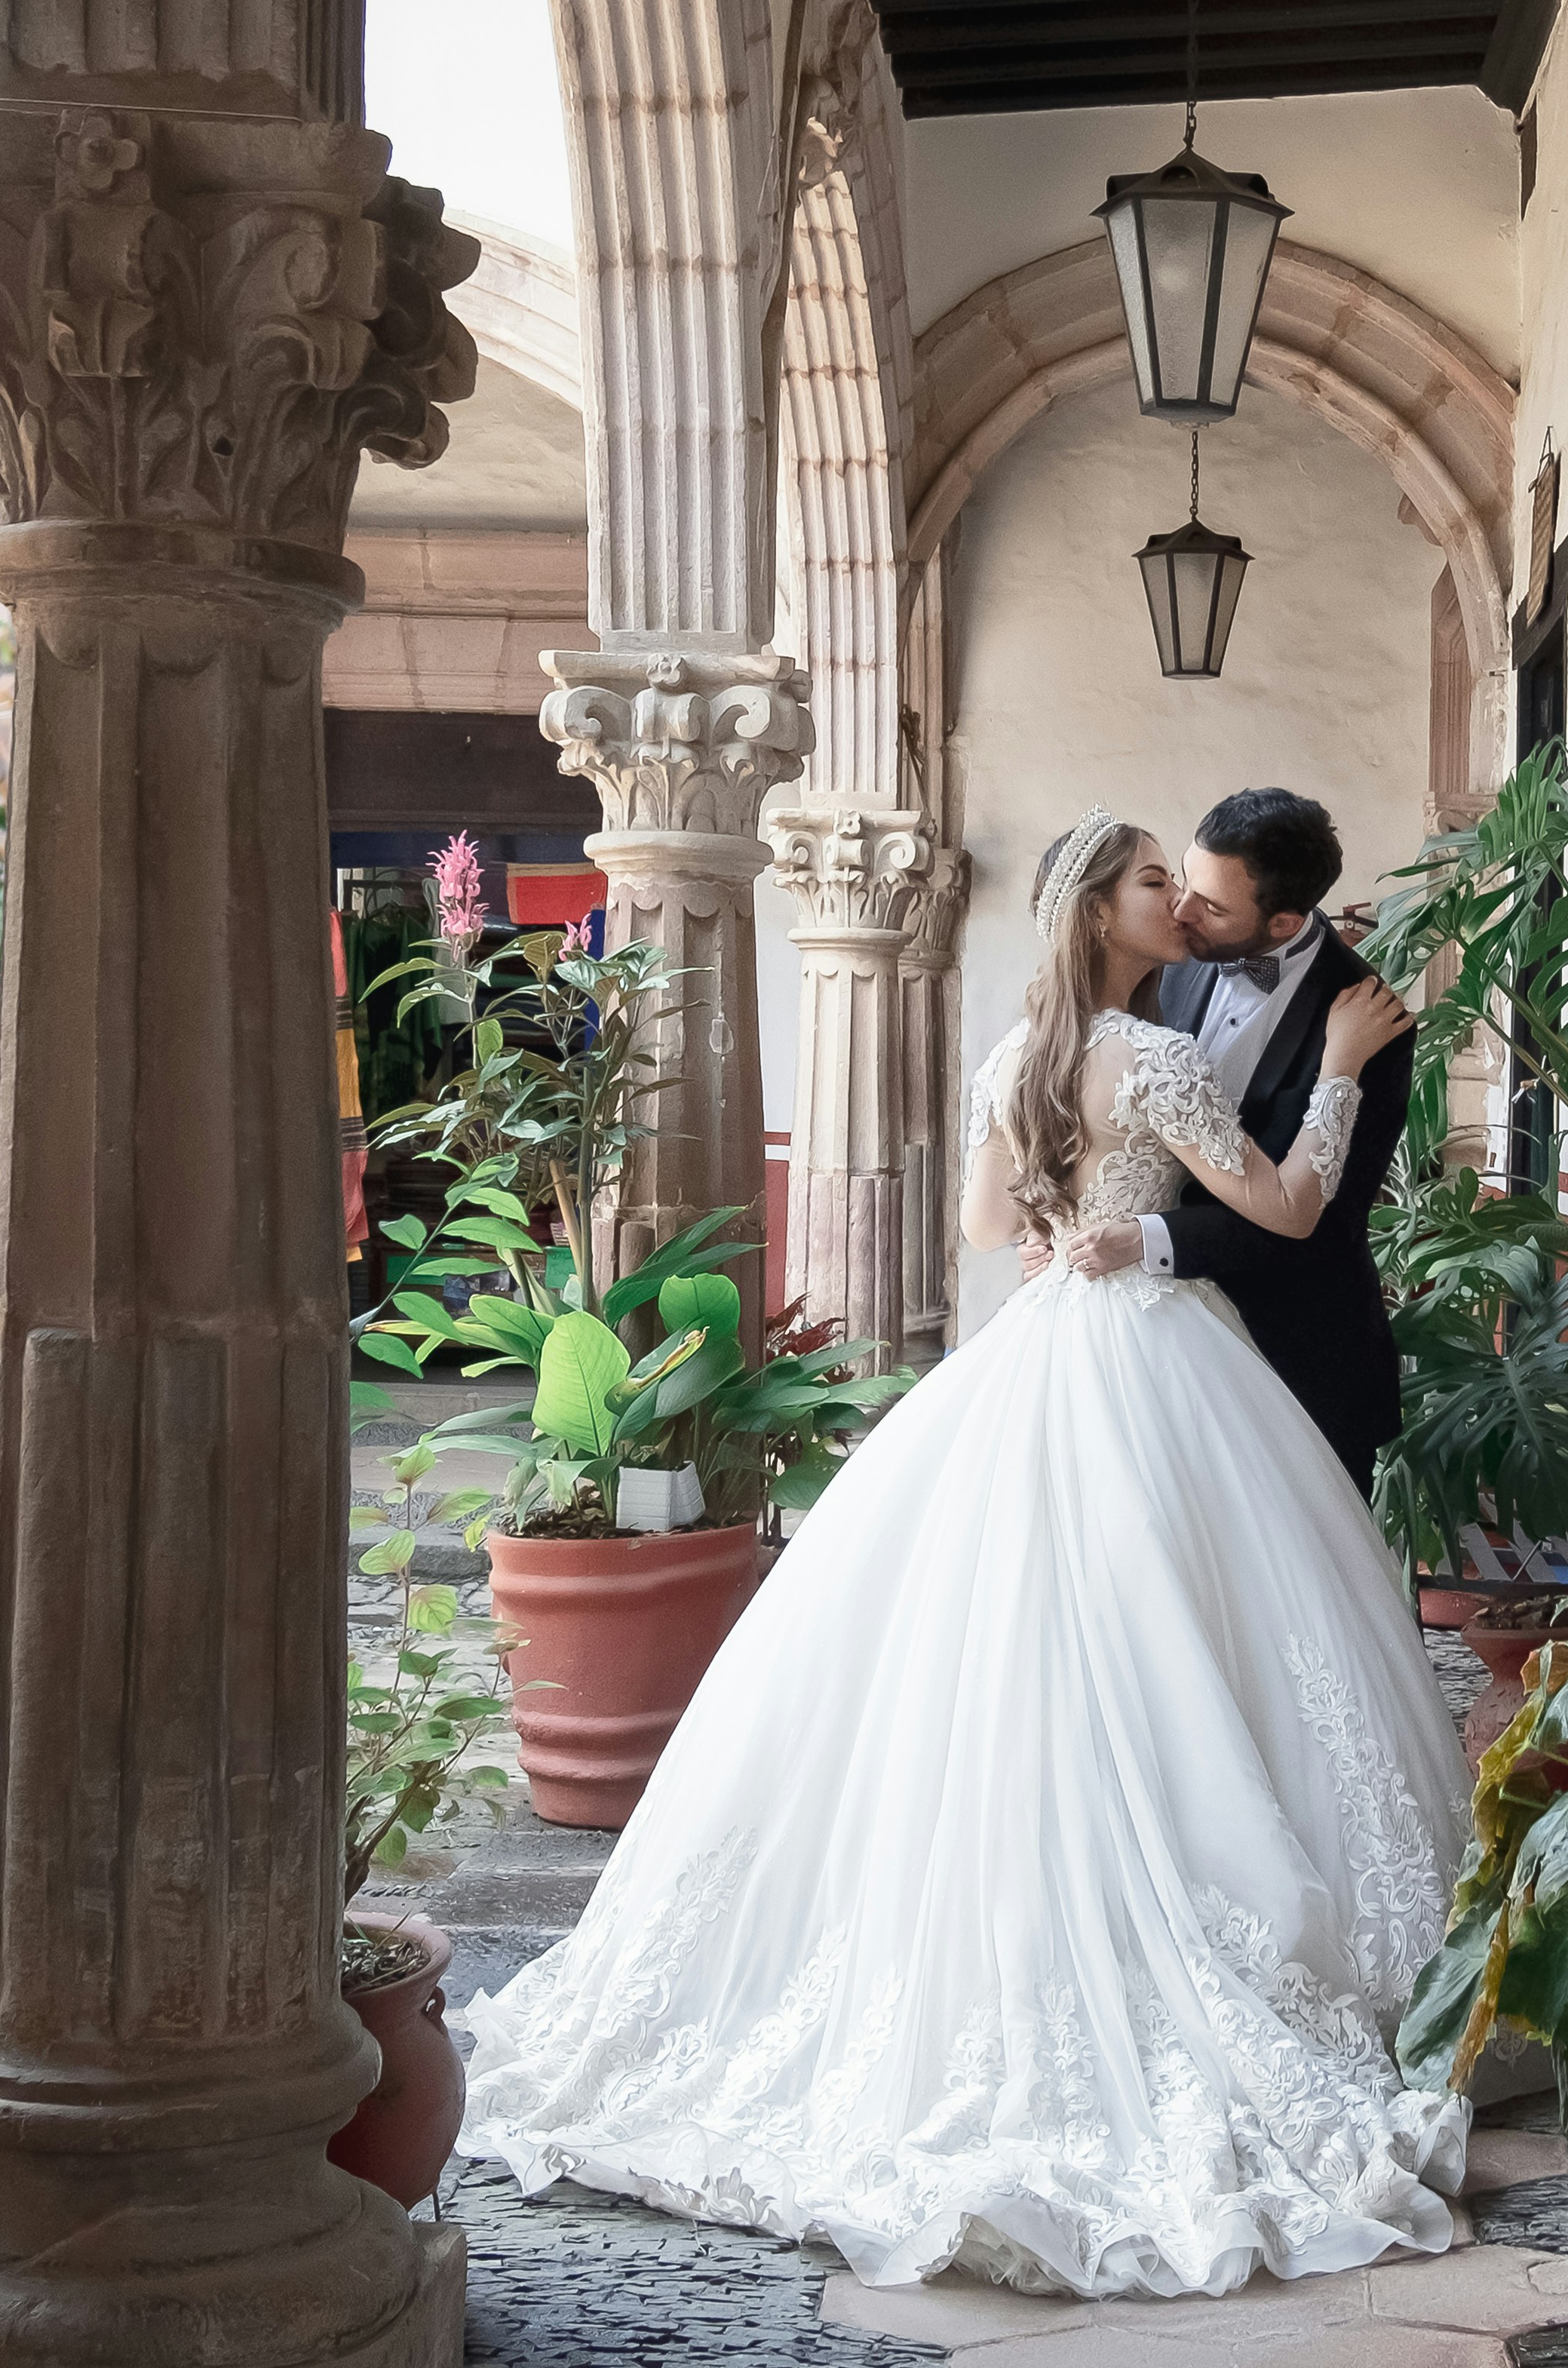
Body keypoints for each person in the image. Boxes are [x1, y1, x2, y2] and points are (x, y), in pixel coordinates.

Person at [452, 809, 1473, 2301]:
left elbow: (995, 1223)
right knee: (1180, 1635)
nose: (1171, 904)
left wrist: (1086, 1223)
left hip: (1041, 1346)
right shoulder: (1164, 1053)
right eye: (1147, 884)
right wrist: (1322, 1081)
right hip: (1164, 1357)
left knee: (1016, 1639)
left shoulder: (1014, 1059)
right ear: (1103, 915)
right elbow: (1296, 1205)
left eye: (1183, 885)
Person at [1026, 788, 1413, 1498]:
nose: (1180, 910)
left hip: (1293, 1353)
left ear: (1285, 921)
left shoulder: (1368, 1022)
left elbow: (1320, 1224)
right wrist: (1060, 1228)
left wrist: (1142, 1237)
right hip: (1145, 1355)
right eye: (1181, 878)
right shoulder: (1162, 959)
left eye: (1211, 906)